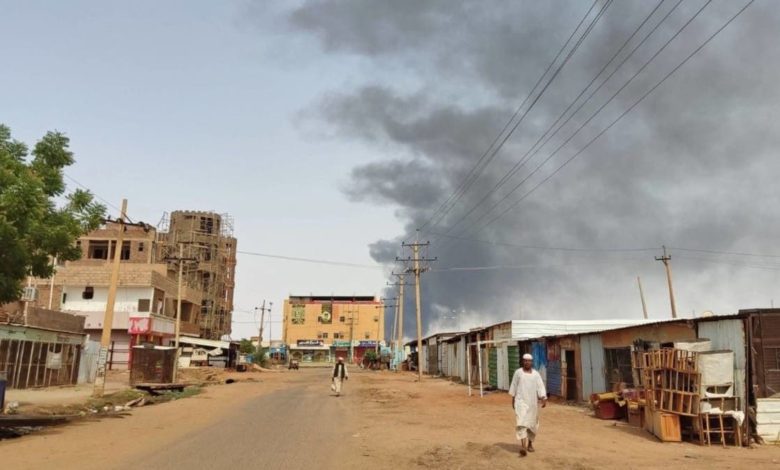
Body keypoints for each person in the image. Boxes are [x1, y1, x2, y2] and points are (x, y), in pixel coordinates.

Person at [508, 353, 547, 457]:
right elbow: (514, 386)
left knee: (532, 425)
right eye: (525, 360)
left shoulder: (536, 374)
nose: (527, 362)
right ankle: (523, 447)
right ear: (522, 361)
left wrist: (543, 398)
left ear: (531, 362)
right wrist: (513, 400)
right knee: (521, 423)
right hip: (520, 402)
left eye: (529, 361)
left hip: (532, 403)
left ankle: (530, 444)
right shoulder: (518, 373)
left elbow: (540, 387)